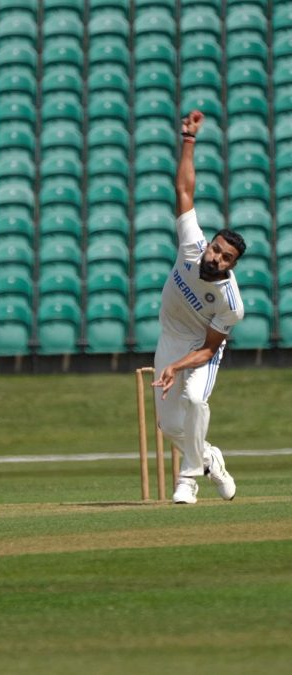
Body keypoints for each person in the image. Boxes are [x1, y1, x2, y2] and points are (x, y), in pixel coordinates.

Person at [151, 110, 244, 505]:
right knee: (169, 424)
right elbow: (184, 192)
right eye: (216, 249)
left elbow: (208, 349)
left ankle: (187, 479)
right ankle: (210, 458)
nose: (215, 258)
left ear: (231, 267)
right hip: (169, 337)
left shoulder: (230, 303)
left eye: (225, 259)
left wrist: (177, 366)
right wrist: (188, 141)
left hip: (199, 348)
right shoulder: (191, 245)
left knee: (193, 401)